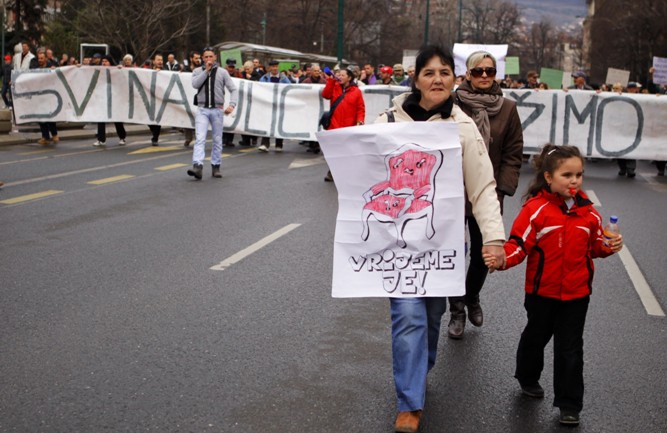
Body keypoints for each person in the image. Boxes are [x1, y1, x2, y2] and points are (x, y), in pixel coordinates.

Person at [374, 45, 506, 433]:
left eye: (445, 73)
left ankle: (419, 368)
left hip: (444, 242)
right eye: (429, 72)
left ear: (455, 79)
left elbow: (483, 187)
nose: (437, 79)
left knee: (431, 316)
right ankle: (409, 402)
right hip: (399, 243)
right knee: (408, 315)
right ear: (415, 79)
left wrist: (493, 239)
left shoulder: (464, 128)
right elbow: (363, 171)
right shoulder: (385, 120)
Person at [484, 144, 623, 427]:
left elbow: (595, 246)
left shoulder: (589, 214)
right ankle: (527, 375)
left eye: (579, 175)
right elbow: (518, 246)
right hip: (541, 294)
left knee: (570, 348)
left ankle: (569, 404)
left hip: (577, 294)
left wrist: (610, 245)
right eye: (567, 175)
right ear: (549, 177)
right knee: (536, 337)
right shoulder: (536, 210)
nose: (574, 181)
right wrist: (501, 259)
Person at [447, 50, 524, 339]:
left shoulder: (508, 107)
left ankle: (471, 296)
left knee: (484, 254)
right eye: (477, 71)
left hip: (486, 193)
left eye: (489, 72)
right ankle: (456, 309)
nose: (483, 76)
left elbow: (513, 153)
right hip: (451, 192)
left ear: (496, 75)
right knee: (452, 253)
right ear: (467, 74)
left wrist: (501, 189)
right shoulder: (450, 103)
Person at [186, 47, 238, 180]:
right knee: (200, 138)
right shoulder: (197, 71)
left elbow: (233, 89)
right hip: (202, 109)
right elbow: (195, 85)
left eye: (211, 56)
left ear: (215, 57)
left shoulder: (223, 72)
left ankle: (216, 166)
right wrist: (206, 71)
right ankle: (197, 166)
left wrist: (232, 105)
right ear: (203, 59)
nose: (209, 59)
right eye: (206, 57)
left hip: (217, 110)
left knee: (217, 139)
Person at [320, 66, 365, 182]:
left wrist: (360, 121)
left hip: (348, 127)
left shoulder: (356, 91)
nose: (339, 77)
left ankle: (346, 173)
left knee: (346, 152)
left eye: (342, 75)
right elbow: (325, 95)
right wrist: (330, 80)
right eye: (338, 74)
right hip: (334, 126)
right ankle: (332, 172)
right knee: (334, 151)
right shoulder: (334, 87)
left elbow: (360, 108)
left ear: (349, 78)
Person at [93, 55, 127, 147]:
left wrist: (121, 69)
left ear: (110, 62)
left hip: (114, 99)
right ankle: (101, 139)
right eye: (102, 61)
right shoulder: (99, 71)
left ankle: (122, 137)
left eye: (106, 61)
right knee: (101, 119)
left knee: (117, 119)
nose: (104, 63)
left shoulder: (116, 71)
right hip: (103, 99)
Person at [258, 60, 291, 152]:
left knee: (279, 123)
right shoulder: (264, 78)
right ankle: (265, 144)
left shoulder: (284, 78)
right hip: (268, 104)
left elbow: (290, 89)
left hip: (280, 104)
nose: (275, 68)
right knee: (266, 123)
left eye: (276, 66)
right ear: (269, 68)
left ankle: (279, 145)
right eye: (273, 67)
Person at [30, 50, 59, 146]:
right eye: (39, 58)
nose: (40, 60)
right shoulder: (35, 68)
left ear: (46, 58)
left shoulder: (51, 66)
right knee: (41, 117)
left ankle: (54, 134)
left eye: (42, 58)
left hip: (49, 96)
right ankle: (45, 136)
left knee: (50, 116)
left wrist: (54, 70)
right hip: (39, 96)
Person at [616, 82, 641, 178]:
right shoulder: (622, 96)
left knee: (632, 148)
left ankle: (630, 169)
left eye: (634, 88)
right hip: (621, 127)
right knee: (620, 148)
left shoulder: (642, 98)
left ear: (636, 89)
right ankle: (622, 168)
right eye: (630, 88)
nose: (632, 90)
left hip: (633, 127)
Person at [183, 50, 202, 147]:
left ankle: (198, 138)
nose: (198, 60)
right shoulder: (186, 70)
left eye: (199, 58)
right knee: (188, 116)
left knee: (199, 118)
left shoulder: (203, 69)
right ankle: (188, 137)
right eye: (196, 58)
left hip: (198, 97)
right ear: (191, 59)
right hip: (188, 96)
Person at [222, 58, 242, 148]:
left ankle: (229, 140)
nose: (231, 69)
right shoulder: (222, 73)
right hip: (223, 98)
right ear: (226, 66)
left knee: (232, 119)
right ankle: (223, 139)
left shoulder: (238, 74)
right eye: (229, 67)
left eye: (232, 67)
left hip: (232, 100)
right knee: (223, 119)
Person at [148, 53, 164, 145]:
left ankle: (155, 138)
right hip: (150, 98)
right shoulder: (147, 72)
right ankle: (154, 132)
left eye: (161, 60)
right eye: (158, 60)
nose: (160, 62)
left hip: (161, 99)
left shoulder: (166, 72)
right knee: (148, 119)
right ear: (154, 61)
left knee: (158, 119)